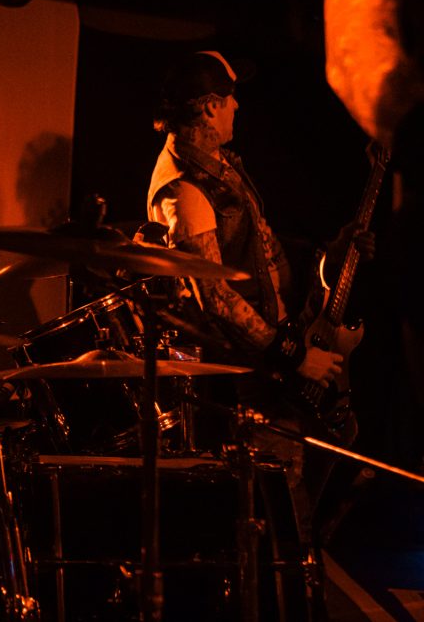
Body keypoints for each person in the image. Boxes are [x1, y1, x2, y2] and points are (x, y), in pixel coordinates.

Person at [145, 50, 375, 611]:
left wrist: (332, 251)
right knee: (280, 512)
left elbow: (262, 260)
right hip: (252, 377)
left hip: (274, 358)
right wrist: (293, 355)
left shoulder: (218, 168)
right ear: (206, 109)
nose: (237, 106)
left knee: (333, 453)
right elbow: (215, 297)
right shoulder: (184, 192)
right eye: (228, 98)